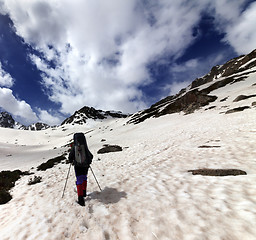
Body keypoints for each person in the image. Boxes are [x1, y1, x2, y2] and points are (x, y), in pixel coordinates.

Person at [68, 132, 93, 206]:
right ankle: (84, 192)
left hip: (77, 166)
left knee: (79, 180)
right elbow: (90, 155)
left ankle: (80, 199)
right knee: (84, 178)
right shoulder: (85, 146)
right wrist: (88, 162)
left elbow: (70, 157)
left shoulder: (74, 147)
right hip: (85, 166)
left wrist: (71, 160)